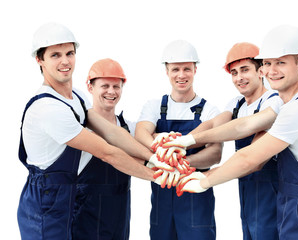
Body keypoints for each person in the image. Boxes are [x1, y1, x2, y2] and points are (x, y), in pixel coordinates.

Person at [171, 25, 298, 239]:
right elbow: (238, 125)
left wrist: (204, 180)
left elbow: (249, 158)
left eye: (281, 62)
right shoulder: (297, 99)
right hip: (297, 203)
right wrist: (187, 140)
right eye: (268, 63)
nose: (272, 70)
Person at [17, 22, 171, 240]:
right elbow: (107, 152)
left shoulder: (77, 96)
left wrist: (153, 157)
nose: (65, 61)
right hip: (44, 204)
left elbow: (111, 131)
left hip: (65, 199)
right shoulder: (48, 108)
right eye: (55, 55)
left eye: (70, 53)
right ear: (39, 60)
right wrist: (157, 176)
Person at [185, 42, 282, 240]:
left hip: (271, 190)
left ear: (261, 70)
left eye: (245, 70)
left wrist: (208, 177)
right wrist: (179, 142)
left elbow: (253, 159)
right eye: (234, 73)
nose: (239, 78)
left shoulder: (273, 101)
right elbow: (213, 126)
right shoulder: (236, 105)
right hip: (246, 189)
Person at [135, 40, 222, 240]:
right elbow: (141, 134)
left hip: (196, 199)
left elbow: (215, 154)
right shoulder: (154, 106)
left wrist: (178, 164)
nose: (181, 75)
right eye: (175, 69)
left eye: (186, 69)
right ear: (167, 71)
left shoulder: (210, 110)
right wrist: (158, 142)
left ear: (195, 70)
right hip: (161, 201)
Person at [72, 58, 133, 239]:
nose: (111, 92)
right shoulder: (79, 130)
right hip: (85, 217)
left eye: (116, 86)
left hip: (119, 218)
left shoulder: (129, 128)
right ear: (90, 87)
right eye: (104, 86)